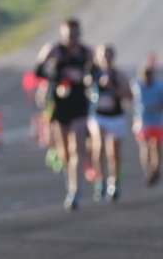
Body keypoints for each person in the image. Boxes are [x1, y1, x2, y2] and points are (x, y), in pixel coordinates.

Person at [34, 19, 95, 211]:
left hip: (79, 104)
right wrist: (57, 76)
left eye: (75, 35)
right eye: (69, 35)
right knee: (65, 150)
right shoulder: (54, 50)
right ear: (62, 35)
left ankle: (75, 191)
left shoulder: (86, 52)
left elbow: (96, 74)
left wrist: (83, 77)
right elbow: (38, 71)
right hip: (59, 105)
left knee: (77, 146)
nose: (72, 39)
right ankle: (70, 182)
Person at [87, 43, 134, 201]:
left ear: (113, 56)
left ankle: (114, 181)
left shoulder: (118, 74)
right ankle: (100, 181)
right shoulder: (92, 73)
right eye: (103, 54)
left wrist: (114, 88)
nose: (106, 57)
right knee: (98, 146)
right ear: (97, 56)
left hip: (116, 116)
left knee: (113, 153)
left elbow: (129, 96)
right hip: (98, 115)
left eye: (108, 54)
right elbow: (84, 90)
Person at [133, 58, 163, 187]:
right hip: (142, 121)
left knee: (156, 146)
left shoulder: (159, 85)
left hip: (156, 120)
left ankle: (155, 168)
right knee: (145, 146)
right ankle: (148, 171)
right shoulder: (137, 85)